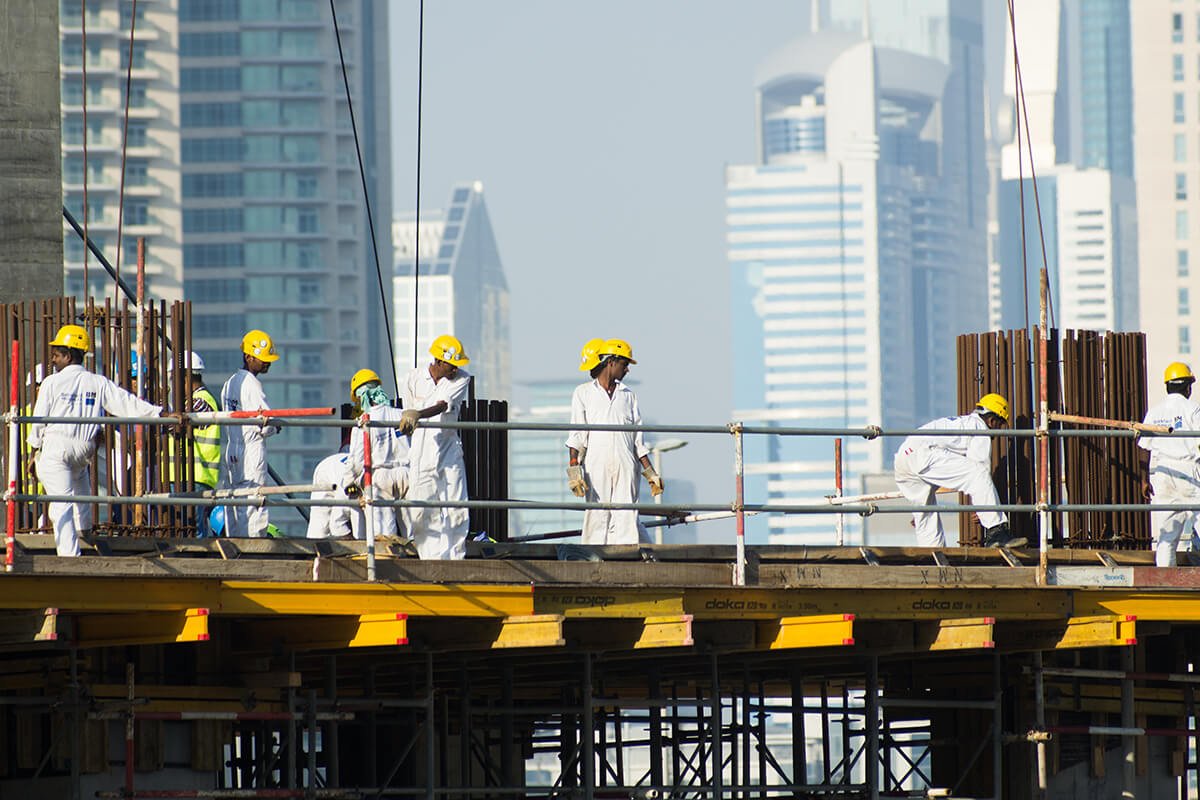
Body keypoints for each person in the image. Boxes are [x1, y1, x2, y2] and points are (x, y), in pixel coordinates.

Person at [27, 324, 166, 556]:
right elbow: (126, 404)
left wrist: (34, 452)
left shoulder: (52, 382)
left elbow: (39, 421)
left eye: (56, 355)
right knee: (80, 495)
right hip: (82, 452)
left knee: (61, 504)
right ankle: (84, 535)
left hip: (56, 450)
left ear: (68, 356)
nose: (53, 360)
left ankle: (70, 557)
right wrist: (158, 413)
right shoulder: (97, 382)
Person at [893, 393, 1024, 549]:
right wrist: (985, 509)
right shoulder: (979, 427)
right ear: (992, 420)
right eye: (1000, 425)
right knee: (978, 473)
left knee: (925, 513)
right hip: (924, 454)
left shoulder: (962, 424)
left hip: (903, 459)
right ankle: (997, 532)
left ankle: (932, 555)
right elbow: (979, 469)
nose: (998, 431)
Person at [565, 338, 662, 545]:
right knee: (597, 514)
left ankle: (627, 555)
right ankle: (594, 555)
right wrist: (574, 469)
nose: (627, 369)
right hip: (596, 463)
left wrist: (651, 473)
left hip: (626, 463)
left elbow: (638, 440)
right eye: (624, 364)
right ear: (611, 362)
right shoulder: (583, 393)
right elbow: (577, 435)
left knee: (626, 513)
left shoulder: (628, 396)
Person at [399, 335, 472, 559]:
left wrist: (418, 414)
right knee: (422, 508)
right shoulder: (413, 378)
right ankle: (429, 559)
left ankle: (454, 558)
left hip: (448, 449)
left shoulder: (461, 379)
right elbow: (408, 409)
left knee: (456, 507)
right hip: (420, 450)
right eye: (452, 365)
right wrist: (410, 417)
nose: (455, 369)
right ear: (439, 361)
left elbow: (442, 405)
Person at [220, 329, 281, 538]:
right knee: (255, 499)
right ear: (248, 357)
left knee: (234, 498)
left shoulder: (230, 383)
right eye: (263, 359)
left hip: (232, 449)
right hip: (252, 449)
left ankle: (236, 540)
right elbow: (265, 423)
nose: (267, 364)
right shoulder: (252, 385)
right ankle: (254, 544)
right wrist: (276, 426)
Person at [1139, 362, 1200, 566]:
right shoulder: (1193, 409)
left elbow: (1144, 446)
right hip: (1189, 471)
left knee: (1167, 536)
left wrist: (1144, 480)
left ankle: (1164, 578)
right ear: (1188, 387)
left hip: (1162, 473)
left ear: (1167, 386)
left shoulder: (1154, 412)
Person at [343, 368, 410, 539]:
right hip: (407, 474)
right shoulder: (401, 415)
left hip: (380, 477)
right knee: (413, 531)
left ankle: (385, 556)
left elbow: (357, 460)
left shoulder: (364, 422)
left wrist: (349, 482)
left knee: (384, 534)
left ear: (361, 397)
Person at [182, 351, 221, 537]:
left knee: (194, 531)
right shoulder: (191, 401)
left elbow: (175, 426)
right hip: (188, 475)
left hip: (197, 476)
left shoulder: (201, 401)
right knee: (186, 529)